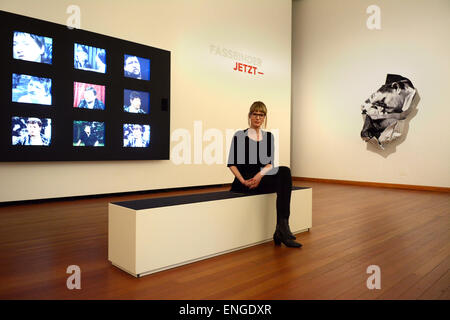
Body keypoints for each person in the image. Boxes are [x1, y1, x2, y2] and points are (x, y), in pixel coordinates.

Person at [227, 101, 302, 248]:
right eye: (255, 114)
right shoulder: (240, 135)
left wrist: (259, 176)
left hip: (259, 180)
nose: (258, 118)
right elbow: (232, 163)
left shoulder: (269, 137)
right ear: (249, 116)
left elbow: (269, 164)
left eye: (261, 115)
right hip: (244, 183)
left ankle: (282, 227)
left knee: (285, 171)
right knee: (283, 178)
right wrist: (243, 180)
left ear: (264, 118)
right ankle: (281, 231)